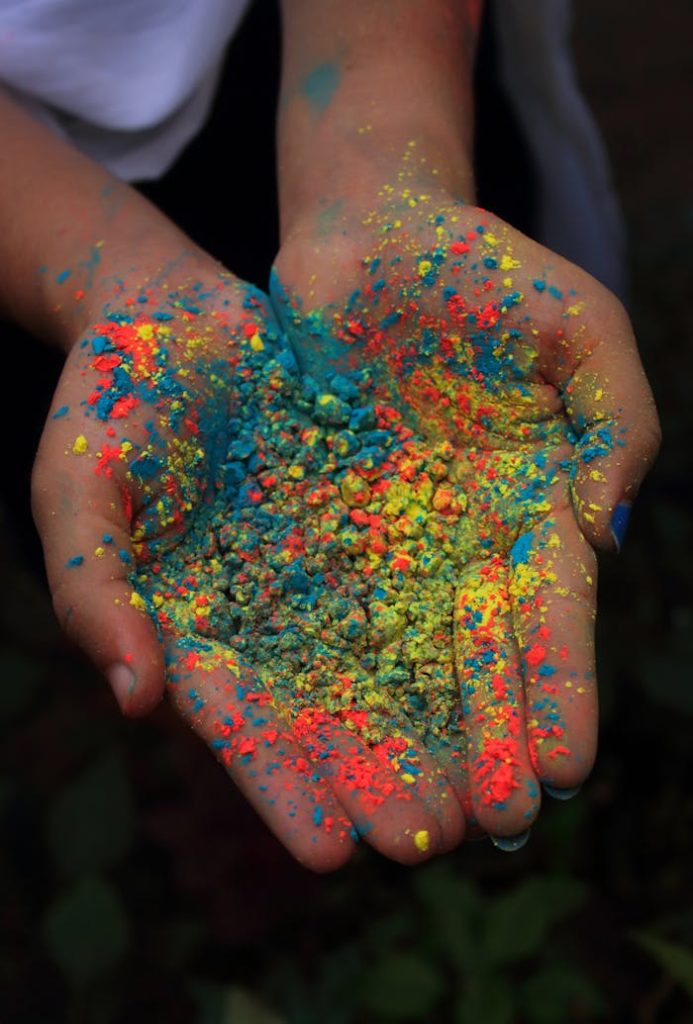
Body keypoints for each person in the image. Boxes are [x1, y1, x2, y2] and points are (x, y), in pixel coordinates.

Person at [0, 0, 660, 870]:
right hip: (29, 216)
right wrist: (106, 283)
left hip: (373, 68)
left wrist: (385, 173)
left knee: (537, 534)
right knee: (139, 574)